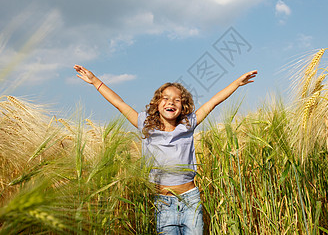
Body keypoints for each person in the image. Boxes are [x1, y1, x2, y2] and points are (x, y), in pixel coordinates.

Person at [73, 65, 257, 234]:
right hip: (162, 203)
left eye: (177, 100)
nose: (171, 102)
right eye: (166, 98)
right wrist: (95, 80)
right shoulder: (145, 125)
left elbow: (213, 102)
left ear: (183, 107)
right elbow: (119, 104)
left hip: (190, 200)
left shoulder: (188, 125)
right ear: (156, 104)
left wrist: (237, 83)